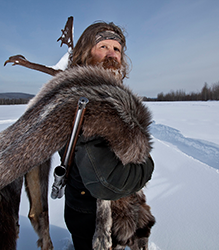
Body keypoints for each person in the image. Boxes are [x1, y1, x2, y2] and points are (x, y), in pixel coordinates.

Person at [61, 21, 155, 250]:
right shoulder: (80, 99)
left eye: (117, 49)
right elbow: (107, 183)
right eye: (103, 46)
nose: (112, 54)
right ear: (85, 52)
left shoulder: (116, 96)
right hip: (91, 218)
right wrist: (147, 167)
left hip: (124, 212)